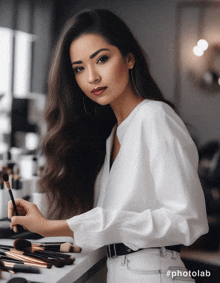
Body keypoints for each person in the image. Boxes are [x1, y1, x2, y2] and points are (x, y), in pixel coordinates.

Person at [8, 9, 208, 282]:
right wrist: (47, 223)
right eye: (79, 68)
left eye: (101, 59)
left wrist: (56, 227)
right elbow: (113, 223)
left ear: (129, 58)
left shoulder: (154, 116)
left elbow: (188, 220)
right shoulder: (112, 134)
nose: (92, 77)